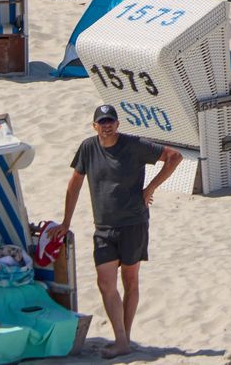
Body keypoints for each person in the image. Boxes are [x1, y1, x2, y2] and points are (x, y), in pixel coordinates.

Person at [62, 104, 182, 358]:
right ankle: (121, 339)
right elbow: (74, 186)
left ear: (117, 124)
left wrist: (150, 189)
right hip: (103, 227)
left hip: (133, 223)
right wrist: (65, 223)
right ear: (94, 126)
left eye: (110, 121)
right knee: (105, 282)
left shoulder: (134, 144)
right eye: (102, 122)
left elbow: (174, 157)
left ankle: (123, 338)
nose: (107, 126)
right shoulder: (88, 148)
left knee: (130, 280)